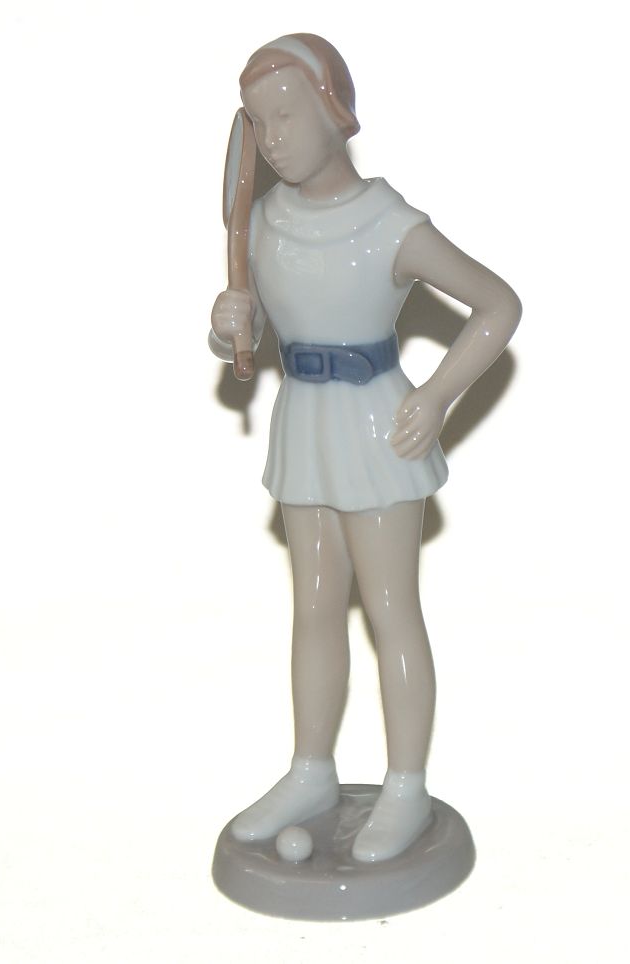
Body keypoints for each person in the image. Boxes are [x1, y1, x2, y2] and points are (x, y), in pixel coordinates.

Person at [208, 34, 520, 862]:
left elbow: (497, 306)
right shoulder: (264, 225)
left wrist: (437, 393)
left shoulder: (389, 226)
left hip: (378, 430)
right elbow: (256, 329)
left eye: (287, 114)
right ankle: (311, 769)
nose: (273, 137)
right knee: (314, 606)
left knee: (390, 609)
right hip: (303, 425)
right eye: (259, 122)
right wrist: (231, 323)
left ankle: (405, 786)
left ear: (333, 111)